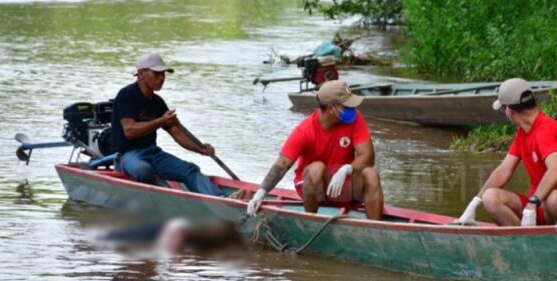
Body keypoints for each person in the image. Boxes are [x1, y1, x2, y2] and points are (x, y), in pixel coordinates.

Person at [457, 78, 557, 226]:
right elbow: (504, 170)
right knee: (490, 197)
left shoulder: (546, 130)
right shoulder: (522, 133)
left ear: (510, 110)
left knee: (553, 199)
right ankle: (523, 241)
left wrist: (533, 202)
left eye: (503, 109)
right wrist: (475, 202)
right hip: (537, 206)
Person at [246, 80, 383, 219]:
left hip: (341, 184)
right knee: (316, 168)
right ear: (331, 108)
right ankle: (310, 221)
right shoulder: (305, 130)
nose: (352, 109)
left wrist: (346, 169)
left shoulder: (355, 119)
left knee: (370, 174)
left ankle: (377, 231)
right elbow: (282, 164)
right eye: (347, 105)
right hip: (312, 187)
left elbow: (368, 156)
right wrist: (260, 193)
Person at [109, 52, 224, 196]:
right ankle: (155, 201)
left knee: (190, 169)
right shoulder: (127, 95)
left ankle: (221, 198)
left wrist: (200, 149)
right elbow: (129, 131)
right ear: (141, 73)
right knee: (143, 170)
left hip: (152, 152)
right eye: (157, 74)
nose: (161, 78)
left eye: (163, 74)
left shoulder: (158, 102)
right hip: (128, 155)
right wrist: (161, 121)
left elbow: (177, 134)